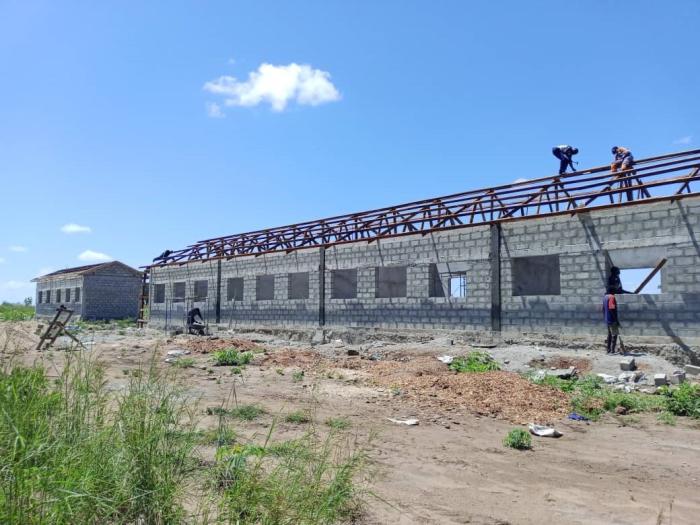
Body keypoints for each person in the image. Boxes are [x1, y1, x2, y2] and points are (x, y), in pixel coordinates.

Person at [603, 286, 621, 354]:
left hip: (607, 319)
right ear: (613, 291)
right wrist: (616, 320)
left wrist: (605, 317)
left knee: (609, 334)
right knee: (614, 334)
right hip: (612, 319)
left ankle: (608, 350)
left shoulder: (605, 297)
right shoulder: (612, 297)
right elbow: (611, 308)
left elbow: (603, 309)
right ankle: (612, 350)